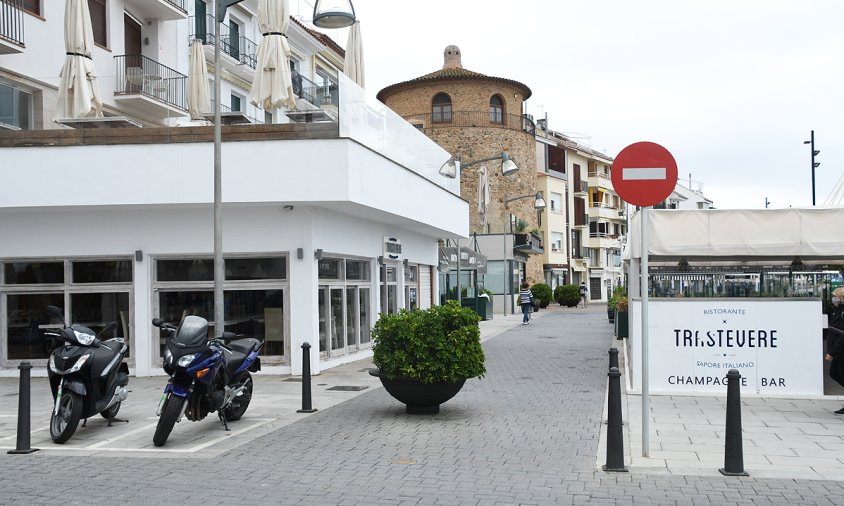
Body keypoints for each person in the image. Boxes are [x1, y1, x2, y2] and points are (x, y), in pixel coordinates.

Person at [825, 287, 844, 414]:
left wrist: (833, 352)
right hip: (838, 350)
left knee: (840, 374)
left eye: (836, 296)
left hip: (841, 350)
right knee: (834, 373)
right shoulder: (838, 310)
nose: (834, 298)